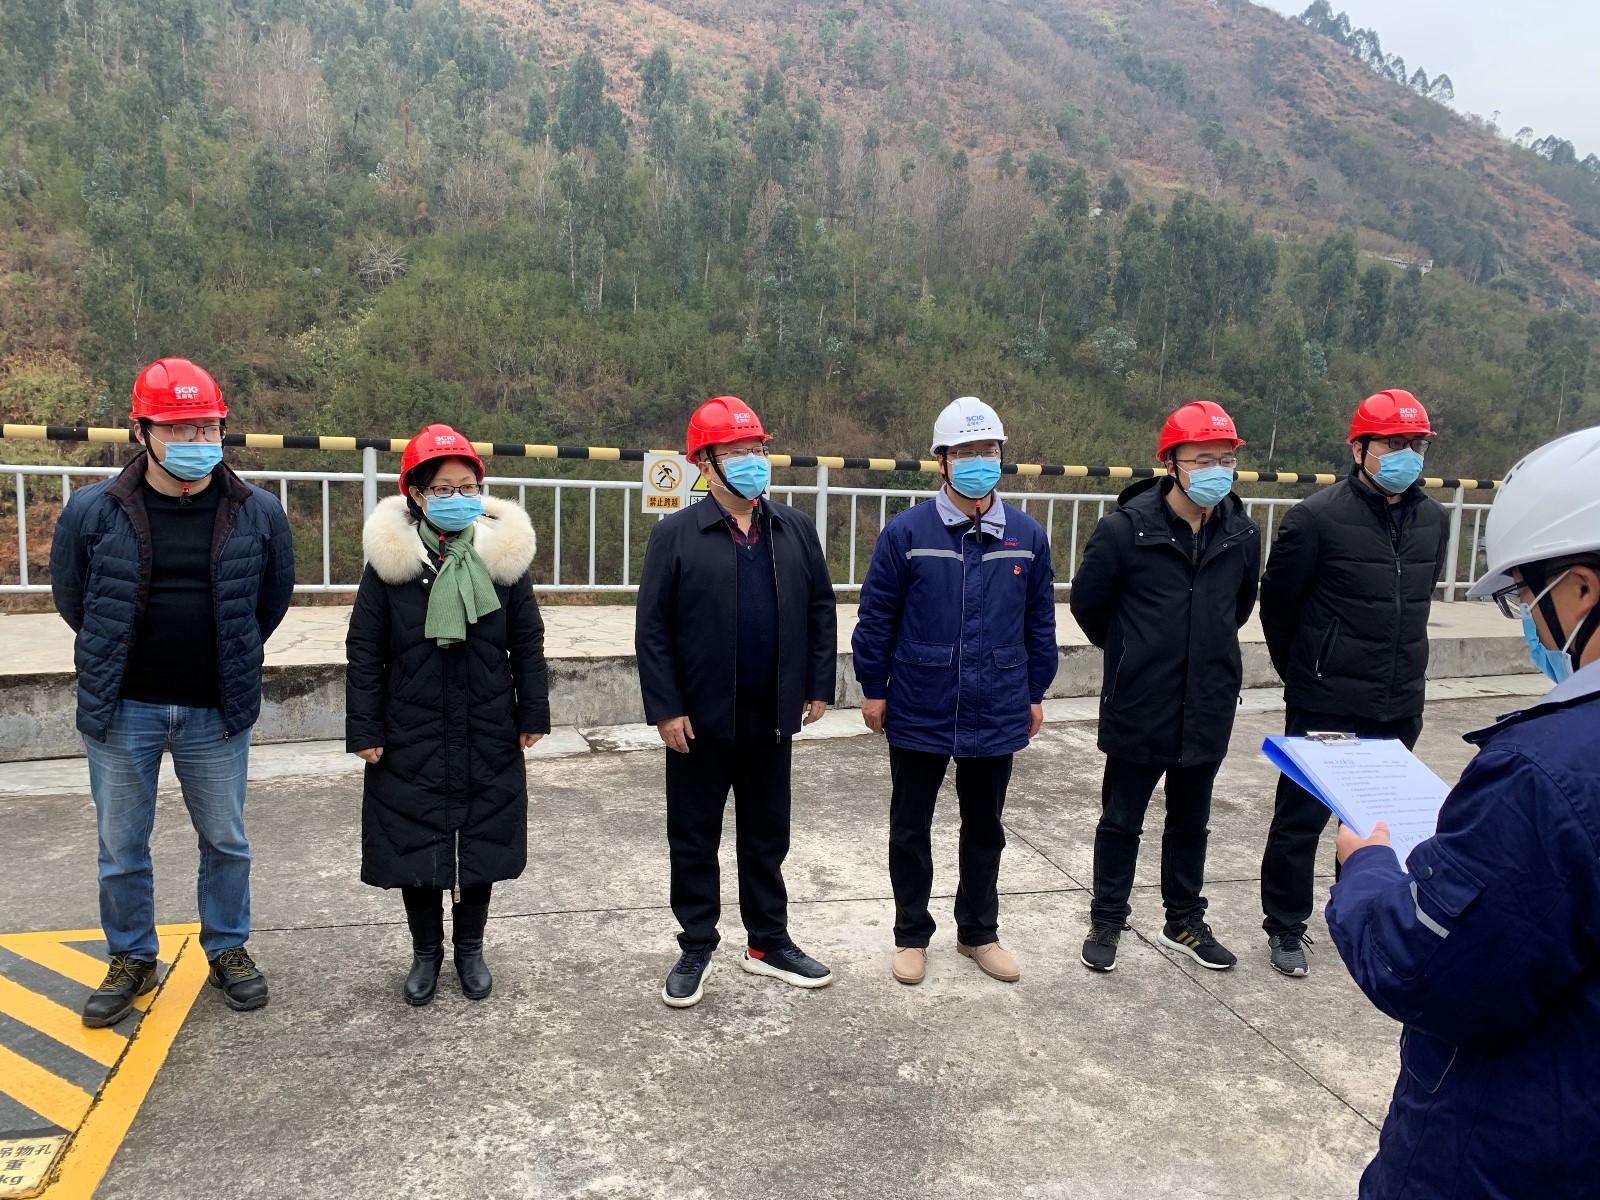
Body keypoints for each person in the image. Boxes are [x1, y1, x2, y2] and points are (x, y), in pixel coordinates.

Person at [1326, 426, 1600, 1198]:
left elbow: (1427, 971)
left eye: (1526, 597)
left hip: (1515, 1154)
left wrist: (1367, 869)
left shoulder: (1545, 773)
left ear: (1582, 589)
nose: (1530, 622)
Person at [49, 357, 295, 1026]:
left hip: (217, 709)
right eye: (180, 429)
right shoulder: (93, 510)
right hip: (123, 706)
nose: (197, 441)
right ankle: (132, 955)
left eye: (207, 428)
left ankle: (227, 947)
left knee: (226, 839)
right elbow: (75, 601)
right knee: (121, 846)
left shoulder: (258, 512)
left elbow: (269, 602)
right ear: (142, 432)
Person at [636, 396, 838, 1009]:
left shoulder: (793, 528)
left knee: (766, 835)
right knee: (693, 837)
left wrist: (817, 684)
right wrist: (666, 707)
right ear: (704, 463)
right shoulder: (675, 534)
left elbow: (820, 608)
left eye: (757, 450)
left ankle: (767, 942)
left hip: (771, 715)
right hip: (698, 720)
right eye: (736, 452)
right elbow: (653, 629)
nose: (753, 462)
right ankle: (697, 943)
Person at [852, 397, 1057, 986]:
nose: (978, 462)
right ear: (941, 461)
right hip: (919, 700)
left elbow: (1039, 621)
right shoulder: (906, 532)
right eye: (965, 452)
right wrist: (874, 688)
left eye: (988, 451)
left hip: (998, 702)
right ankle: (911, 935)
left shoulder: (1026, 536)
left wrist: (1035, 691)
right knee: (910, 827)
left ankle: (978, 933)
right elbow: (877, 617)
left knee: (985, 828)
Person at [345, 424, 549, 1006]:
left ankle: (471, 949)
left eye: (467, 487)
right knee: (414, 837)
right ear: (416, 494)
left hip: (487, 720)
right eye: (443, 488)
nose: (457, 498)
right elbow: (365, 649)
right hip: (410, 725)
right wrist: (365, 727)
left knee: (481, 837)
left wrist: (532, 711)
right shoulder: (391, 565)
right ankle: (426, 952)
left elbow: (527, 641)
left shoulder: (502, 561)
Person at [1256, 390, 1449, 977]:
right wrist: (1306, 674)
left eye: (1416, 444)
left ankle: (1361, 914)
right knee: (1301, 820)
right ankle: (1286, 926)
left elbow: (1417, 599)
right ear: (1360, 448)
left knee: (1377, 824)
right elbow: (1278, 607)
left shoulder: (1434, 520)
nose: (1407, 454)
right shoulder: (1315, 517)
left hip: (1399, 698)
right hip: (1327, 698)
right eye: (1394, 443)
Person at [1069, 401, 1260, 973]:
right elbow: (1089, 607)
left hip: (1208, 701)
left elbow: (1239, 607)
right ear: (1171, 463)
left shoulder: (1242, 533)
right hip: (1140, 700)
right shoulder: (1124, 531)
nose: (1216, 470)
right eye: (1202, 459)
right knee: (1121, 820)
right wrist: (1135, 652)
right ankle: (1107, 917)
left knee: (1191, 822)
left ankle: (1184, 920)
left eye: (1225, 459)